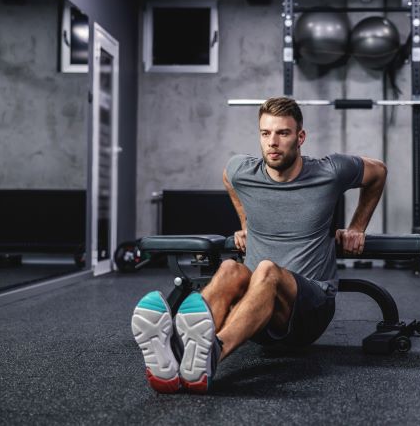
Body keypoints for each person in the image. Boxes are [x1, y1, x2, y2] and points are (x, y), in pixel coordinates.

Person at [131, 96, 387, 394]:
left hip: (310, 310)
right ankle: (178, 356)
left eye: (283, 133)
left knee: (266, 270)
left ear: (300, 137)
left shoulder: (330, 171)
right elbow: (229, 178)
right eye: (265, 134)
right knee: (230, 269)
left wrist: (357, 227)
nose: (273, 142)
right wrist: (245, 223)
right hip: (256, 315)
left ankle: (211, 354)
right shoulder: (242, 170)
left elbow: (378, 171)